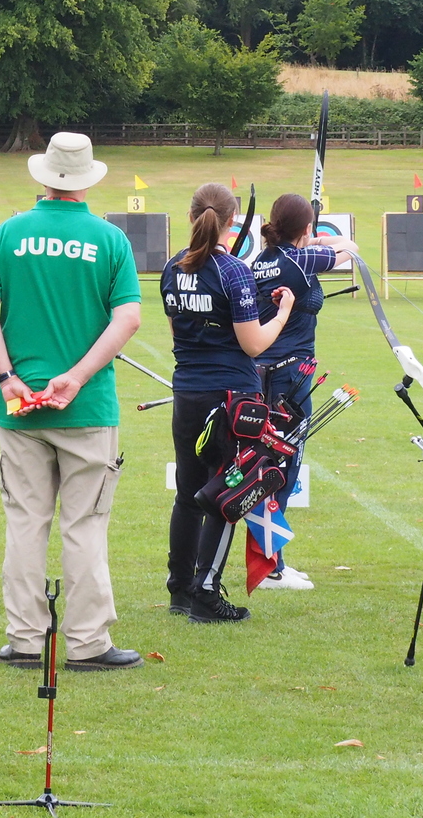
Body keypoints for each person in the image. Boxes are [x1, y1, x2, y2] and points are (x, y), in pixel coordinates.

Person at [0, 132, 145, 672]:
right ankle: (87, 643)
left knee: (26, 521)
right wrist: (76, 376)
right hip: (87, 409)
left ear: (43, 176)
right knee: (84, 525)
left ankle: (25, 639)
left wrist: (7, 378)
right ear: (88, 178)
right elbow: (129, 318)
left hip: (19, 409)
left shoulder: (8, 234)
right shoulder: (110, 239)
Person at [161, 183, 294, 623]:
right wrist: (282, 313)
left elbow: (185, 330)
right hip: (231, 399)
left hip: (187, 394)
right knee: (227, 491)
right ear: (233, 221)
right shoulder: (233, 270)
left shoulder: (170, 268)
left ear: (192, 215)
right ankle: (206, 591)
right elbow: (253, 344)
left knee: (188, 492)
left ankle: (180, 587)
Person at [249, 193, 357, 591]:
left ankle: (274, 561)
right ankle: (270, 569)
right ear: (305, 227)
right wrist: (315, 241)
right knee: (281, 467)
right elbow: (351, 247)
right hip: (289, 378)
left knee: (271, 464)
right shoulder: (299, 260)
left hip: (267, 375)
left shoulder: (263, 259)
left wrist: (306, 237)